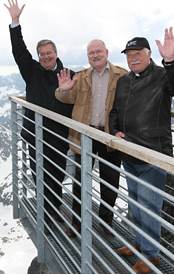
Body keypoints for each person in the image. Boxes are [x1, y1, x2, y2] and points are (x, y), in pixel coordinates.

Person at [109, 27, 174, 274]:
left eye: (137, 53)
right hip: (129, 153)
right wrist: (115, 131)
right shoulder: (124, 80)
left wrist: (170, 60)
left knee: (149, 206)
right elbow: (114, 112)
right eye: (128, 54)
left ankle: (151, 255)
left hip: (153, 154)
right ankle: (138, 243)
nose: (133, 58)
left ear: (148, 53)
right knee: (136, 203)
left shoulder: (162, 74)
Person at [4, 0, 74, 233]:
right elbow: (19, 51)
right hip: (36, 135)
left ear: (56, 53)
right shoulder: (31, 71)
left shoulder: (69, 74)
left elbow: (77, 102)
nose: (45, 56)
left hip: (58, 136)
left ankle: (53, 213)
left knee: (57, 176)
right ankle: (48, 218)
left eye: (49, 53)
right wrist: (15, 22)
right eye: (42, 53)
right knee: (40, 178)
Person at [55, 39, 127, 237]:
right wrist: (63, 89)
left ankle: (106, 221)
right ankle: (77, 223)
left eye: (98, 51)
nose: (95, 55)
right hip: (84, 136)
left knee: (110, 180)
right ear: (87, 56)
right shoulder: (80, 77)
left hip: (110, 136)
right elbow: (65, 98)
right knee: (80, 180)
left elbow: (130, 104)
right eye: (90, 53)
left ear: (106, 52)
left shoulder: (122, 76)